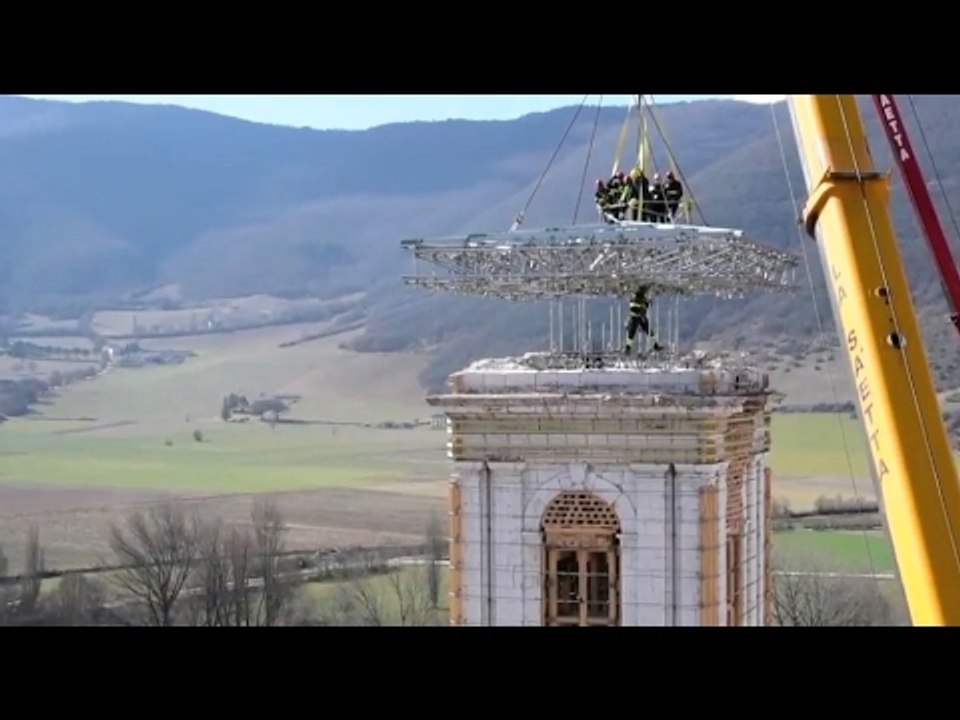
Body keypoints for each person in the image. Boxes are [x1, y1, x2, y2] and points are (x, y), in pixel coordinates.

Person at [624, 285, 664, 354]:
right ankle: (628, 348)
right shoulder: (638, 298)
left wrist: (647, 303)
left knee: (646, 332)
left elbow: (644, 306)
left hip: (639, 317)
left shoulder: (638, 298)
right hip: (637, 317)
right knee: (634, 333)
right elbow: (638, 308)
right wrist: (647, 304)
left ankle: (655, 345)